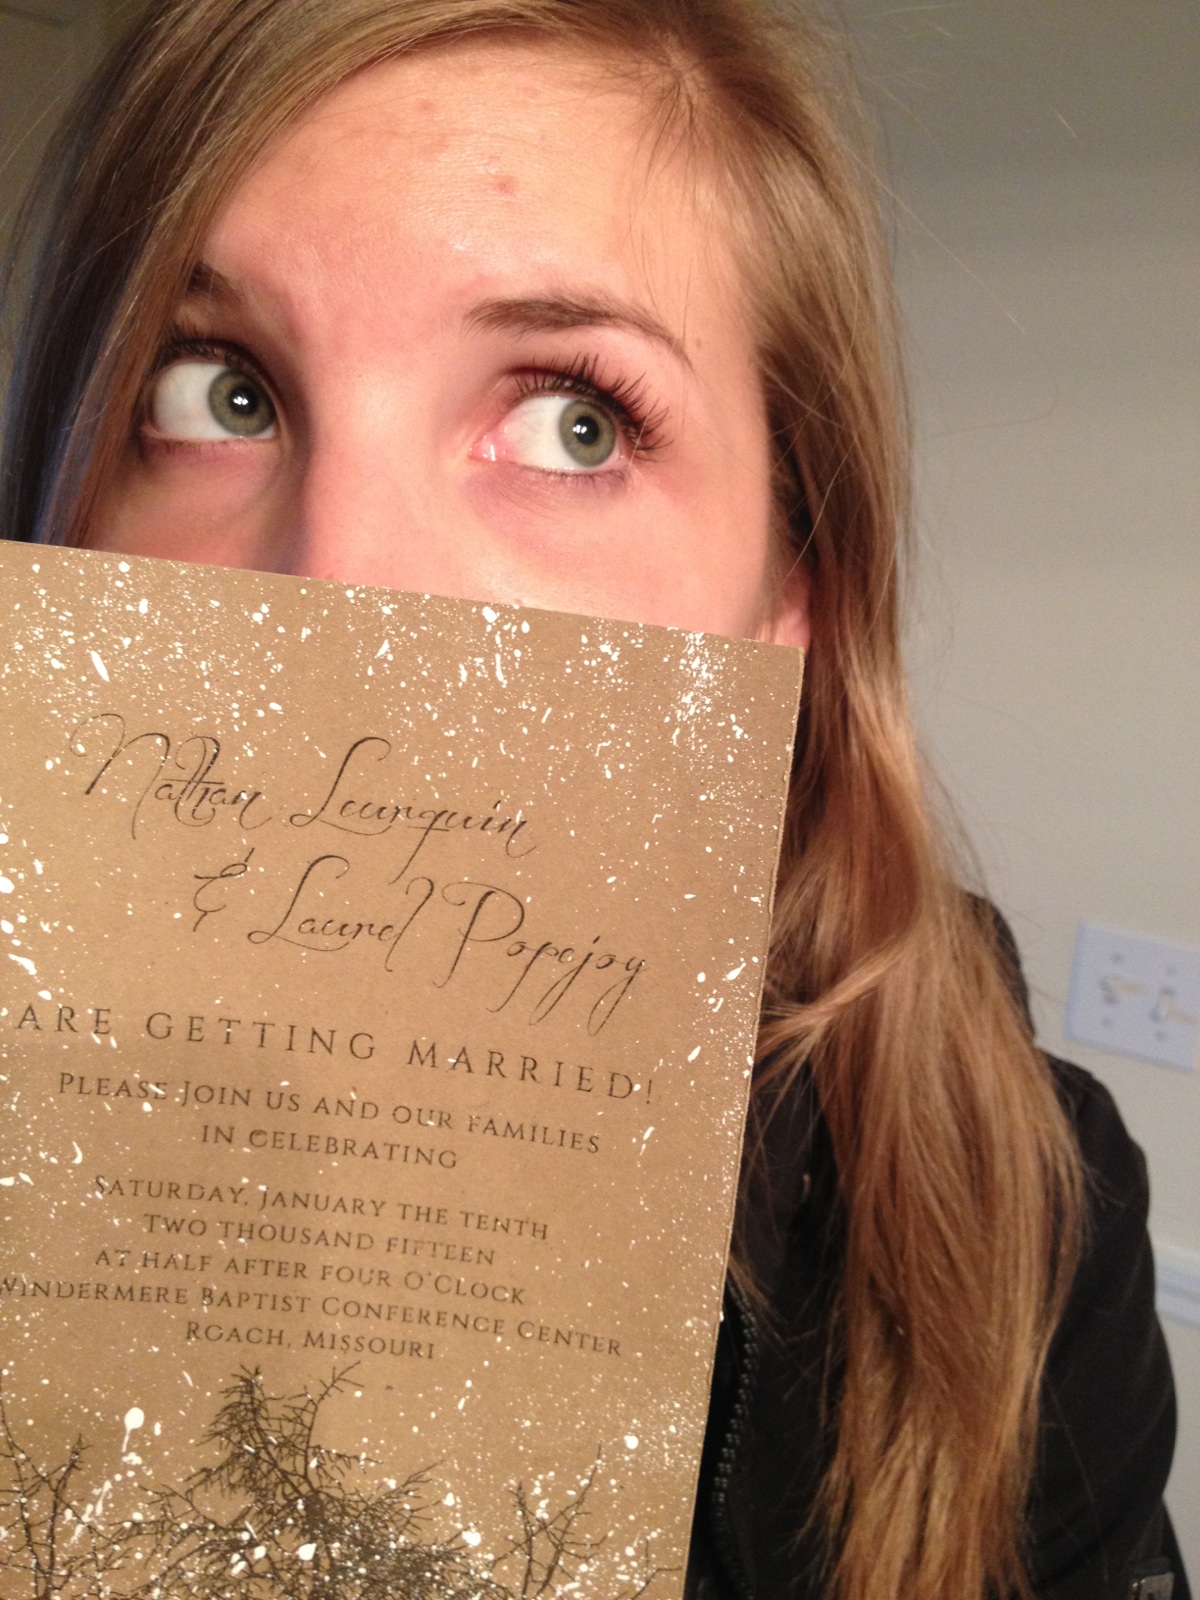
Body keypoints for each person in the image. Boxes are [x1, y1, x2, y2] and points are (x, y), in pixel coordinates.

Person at [0, 2, 1186, 1597]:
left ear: (787, 605)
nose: (341, 590)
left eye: (574, 421)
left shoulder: (1026, 1216)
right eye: (215, 392)